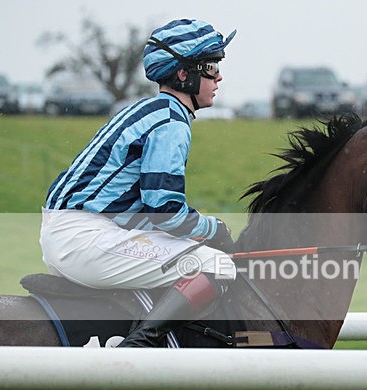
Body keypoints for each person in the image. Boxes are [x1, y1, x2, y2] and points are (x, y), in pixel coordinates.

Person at [40, 19, 237, 348]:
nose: (218, 77)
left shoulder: (148, 109)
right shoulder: (171, 121)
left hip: (78, 231)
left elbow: (144, 211)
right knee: (216, 265)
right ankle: (137, 351)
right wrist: (215, 229)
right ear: (183, 74)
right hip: (86, 238)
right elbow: (165, 212)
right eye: (210, 66)